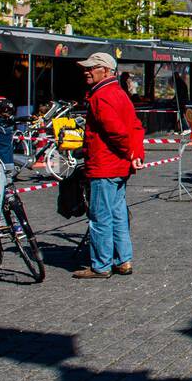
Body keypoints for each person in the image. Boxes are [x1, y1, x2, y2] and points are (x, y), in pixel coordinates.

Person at [73, 52, 145, 280]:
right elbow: (135, 127)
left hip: (105, 164)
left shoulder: (101, 96)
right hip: (118, 165)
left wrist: (128, 151)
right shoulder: (119, 93)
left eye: (91, 67)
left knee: (100, 216)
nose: (86, 71)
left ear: (105, 70)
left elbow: (117, 132)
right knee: (118, 214)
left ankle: (101, 265)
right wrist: (135, 154)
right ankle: (123, 260)